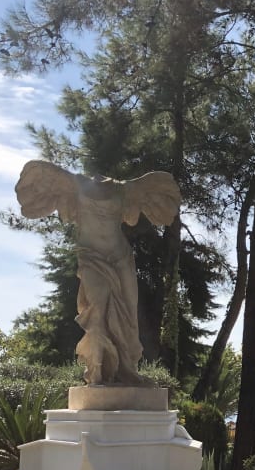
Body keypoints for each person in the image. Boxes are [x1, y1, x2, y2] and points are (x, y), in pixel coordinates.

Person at [15, 161, 181, 386]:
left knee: (128, 317)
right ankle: (96, 372)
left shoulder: (124, 189)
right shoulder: (73, 184)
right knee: (97, 311)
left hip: (121, 258)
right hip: (91, 257)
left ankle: (126, 369)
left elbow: (161, 197)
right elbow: (34, 193)